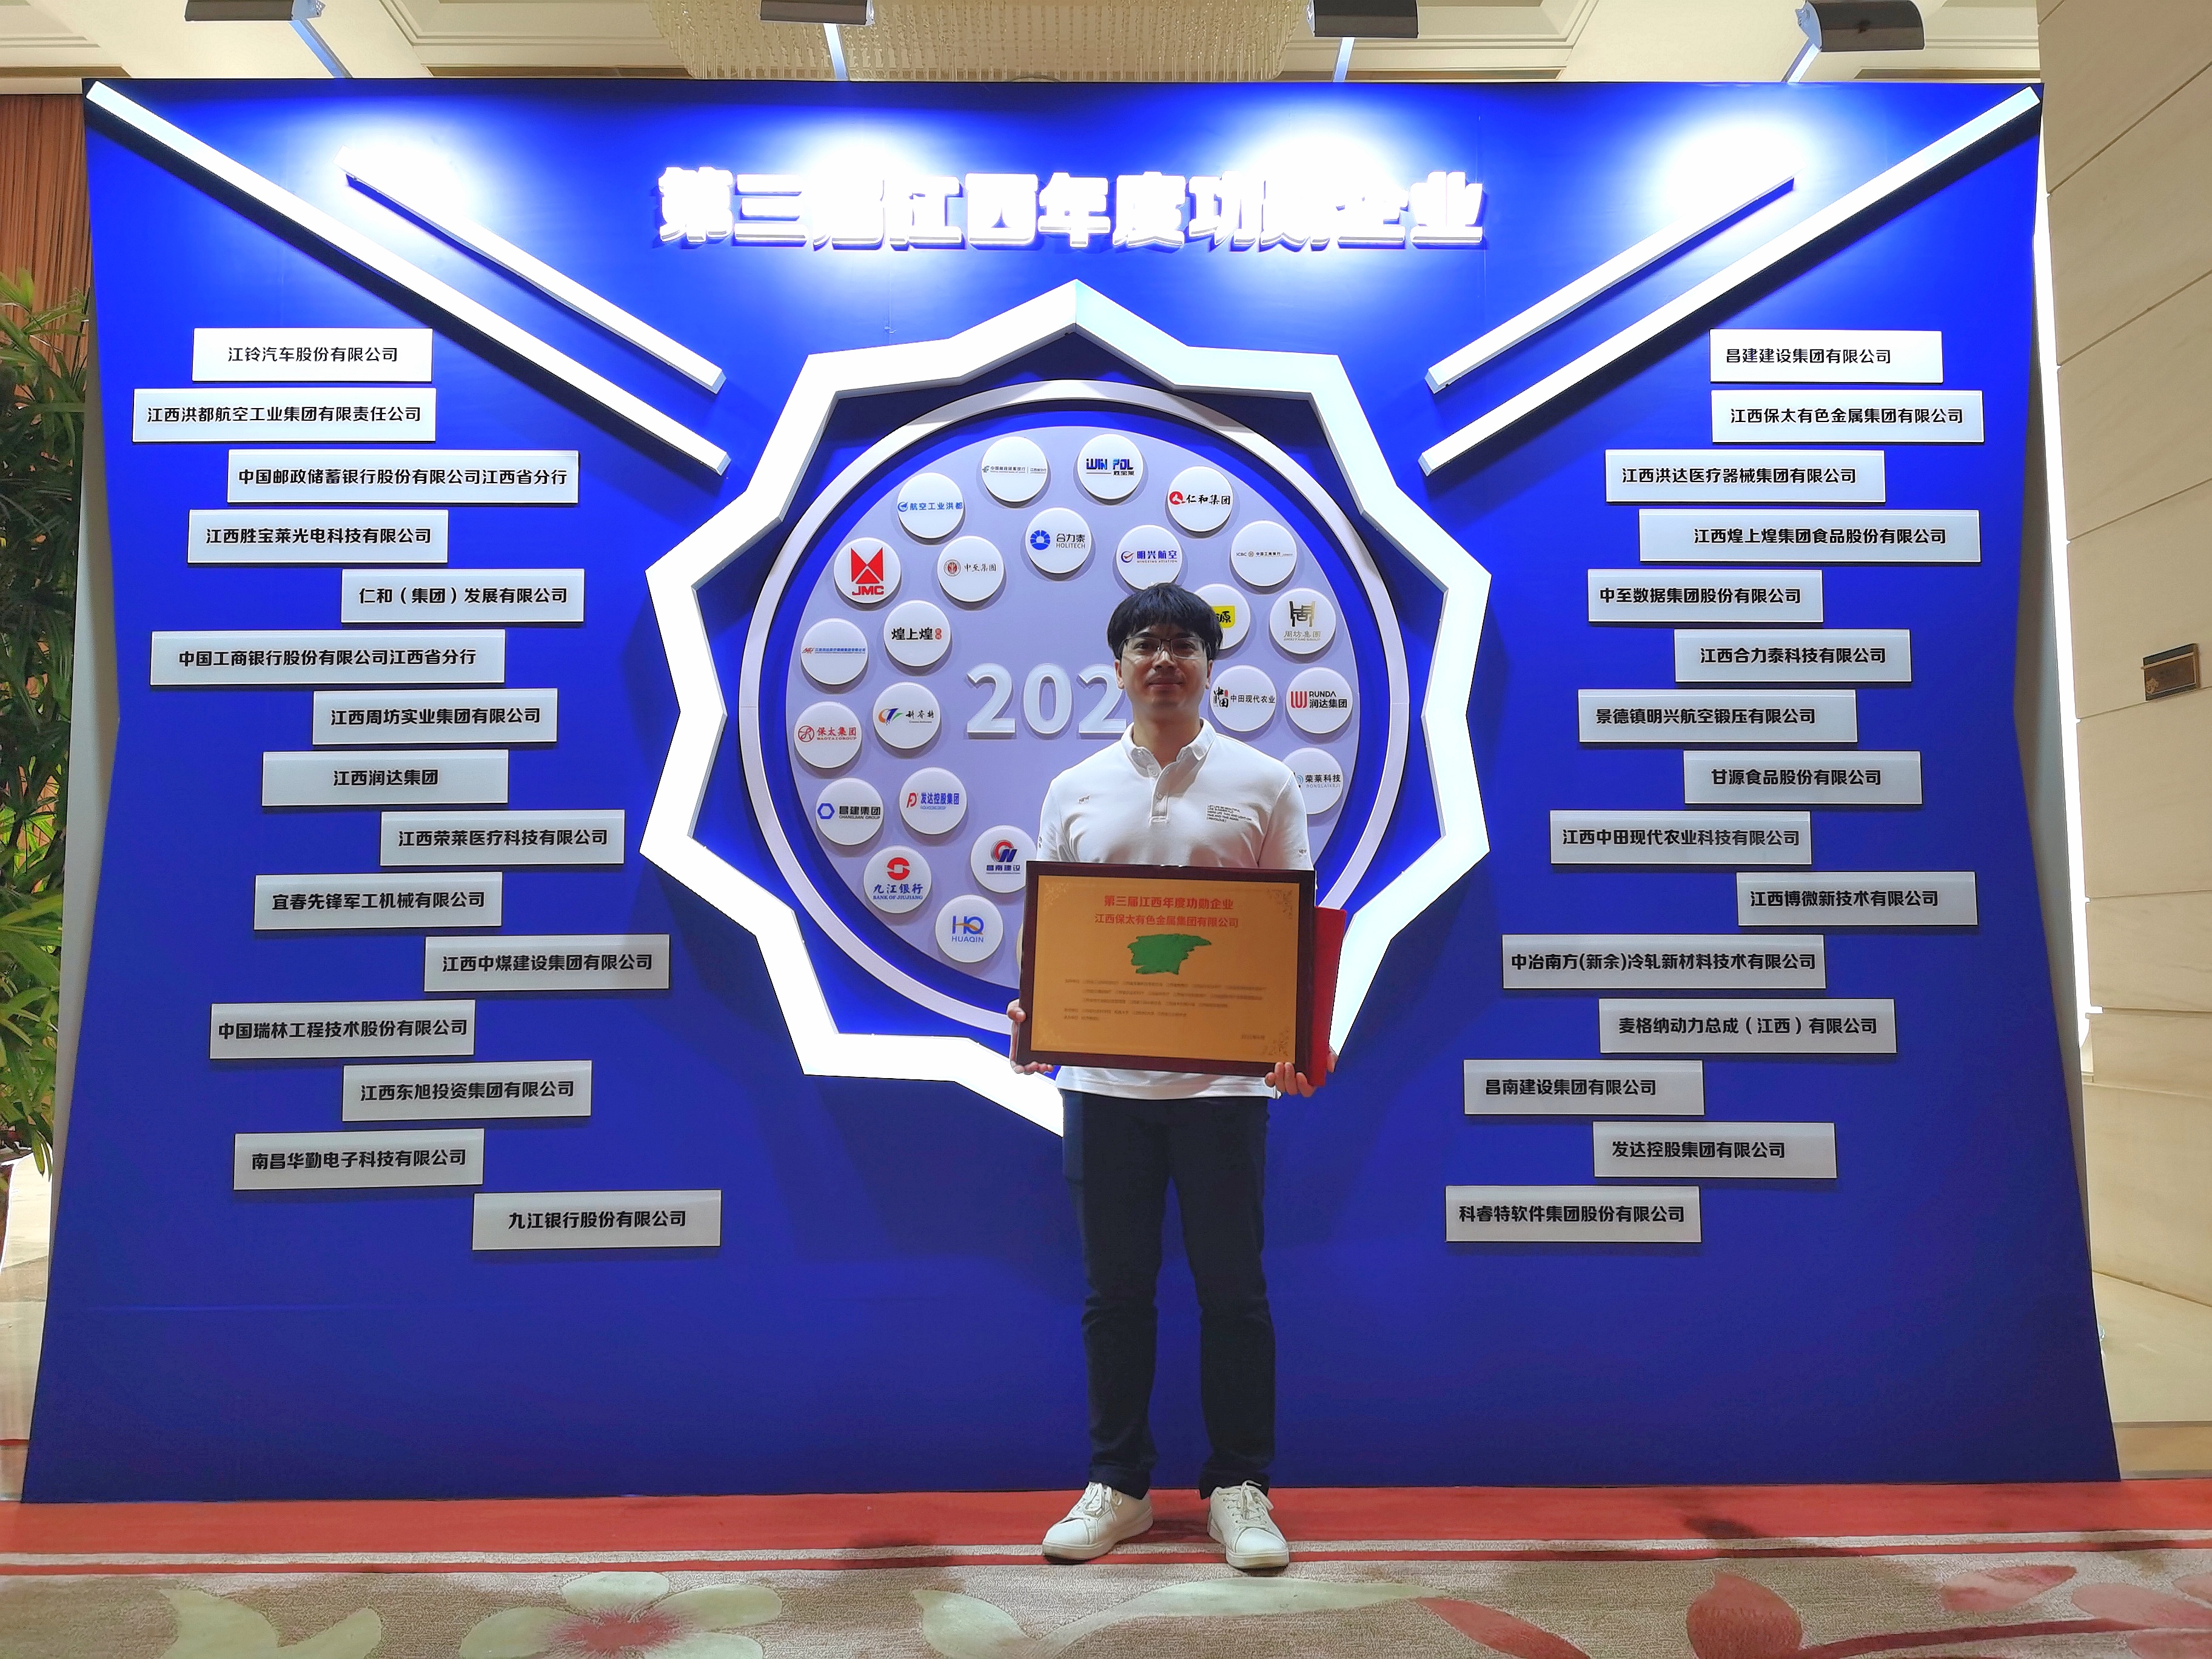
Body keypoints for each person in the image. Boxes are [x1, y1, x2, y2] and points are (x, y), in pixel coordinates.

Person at [1007, 581, 1321, 1573]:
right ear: (1118, 667)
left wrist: (1293, 1037)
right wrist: (1035, 1019)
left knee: (1234, 1296)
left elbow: (1290, 935)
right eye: (1146, 644)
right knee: (1114, 1295)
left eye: (1185, 645)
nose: (1165, 661)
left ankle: (1240, 1487)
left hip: (1225, 1094)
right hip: (1103, 1090)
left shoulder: (1267, 782)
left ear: (1209, 668)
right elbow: (1054, 934)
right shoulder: (1075, 788)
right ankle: (1121, 1485)